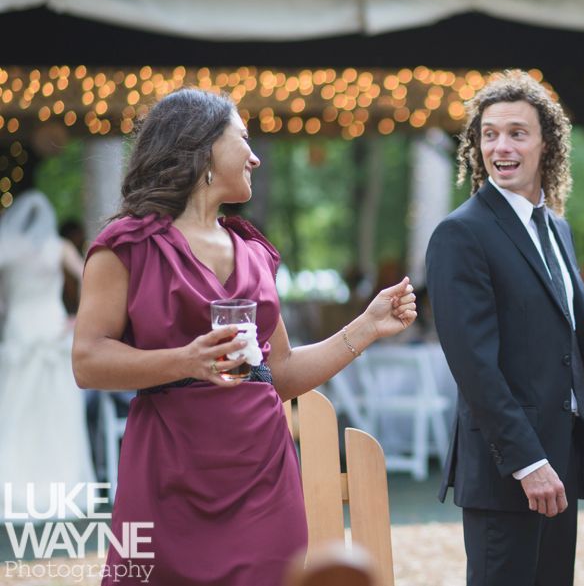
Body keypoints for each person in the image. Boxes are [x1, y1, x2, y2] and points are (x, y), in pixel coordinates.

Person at [72, 88, 417, 585]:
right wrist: (185, 361)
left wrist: (368, 326)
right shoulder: (126, 245)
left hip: (263, 474)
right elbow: (87, 361)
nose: (255, 156)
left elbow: (280, 375)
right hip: (167, 469)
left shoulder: (255, 254)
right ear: (204, 147)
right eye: (244, 140)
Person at [425, 70, 584, 586]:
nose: (502, 146)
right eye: (490, 133)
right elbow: (474, 366)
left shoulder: (556, 228)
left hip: (562, 453)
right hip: (510, 467)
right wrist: (526, 462)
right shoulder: (460, 234)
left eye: (517, 132)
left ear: (547, 144)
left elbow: (558, 340)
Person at [0, 189, 95, 519]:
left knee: (17, 413)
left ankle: (14, 488)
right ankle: (63, 486)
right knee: (56, 414)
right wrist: (80, 318)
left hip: (20, 330)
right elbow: (90, 277)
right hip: (53, 328)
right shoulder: (58, 248)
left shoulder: (7, 251)